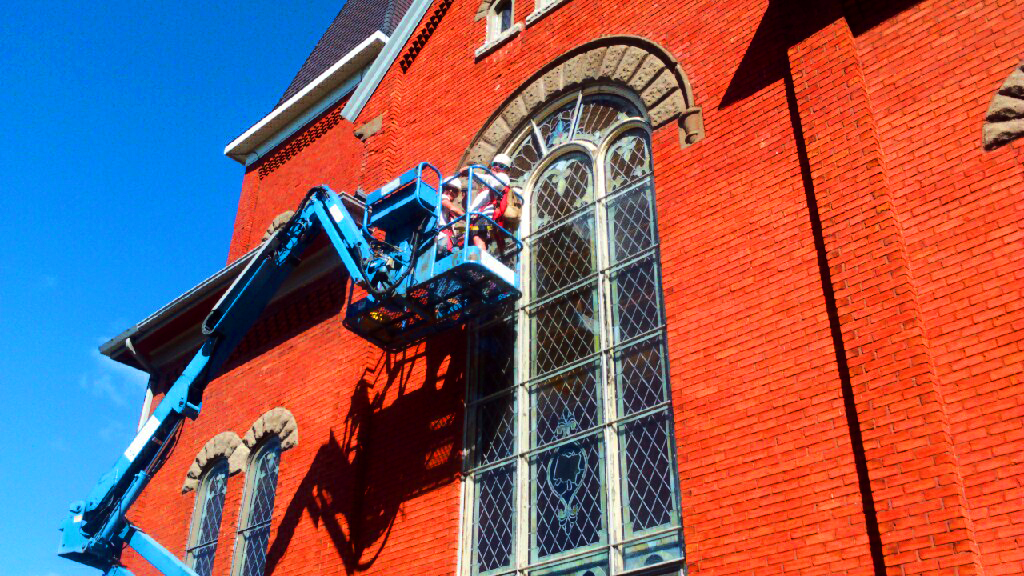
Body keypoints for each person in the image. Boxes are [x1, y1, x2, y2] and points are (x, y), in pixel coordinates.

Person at [436, 177, 465, 254]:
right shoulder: (442, 197)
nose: (451, 191)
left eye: (455, 191)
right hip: (442, 238)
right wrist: (469, 217)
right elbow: (453, 208)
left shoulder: (447, 212)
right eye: (449, 188)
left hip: (446, 239)